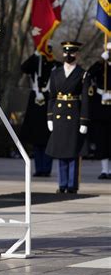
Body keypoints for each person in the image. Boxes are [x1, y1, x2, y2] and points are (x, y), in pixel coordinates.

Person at [46, 41, 90, 194]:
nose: (68, 55)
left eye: (71, 53)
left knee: (72, 153)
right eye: (66, 52)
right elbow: (51, 97)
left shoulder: (83, 74)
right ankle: (62, 184)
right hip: (59, 115)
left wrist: (84, 120)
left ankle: (72, 185)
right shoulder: (55, 73)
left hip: (74, 115)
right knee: (61, 152)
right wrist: (50, 117)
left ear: (77, 54)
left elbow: (85, 99)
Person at [20, 47, 60, 177]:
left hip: (49, 100)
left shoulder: (55, 65)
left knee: (48, 137)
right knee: (36, 138)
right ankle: (39, 168)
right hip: (35, 101)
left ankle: (46, 169)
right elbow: (24, 68)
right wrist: (35, 55)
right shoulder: (35, 62)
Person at [87, 42, 111, 179]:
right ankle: (104, 170)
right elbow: (89, 74)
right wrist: (101, 61)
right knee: (102, 140)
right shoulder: (101, 66)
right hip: (101, 107)